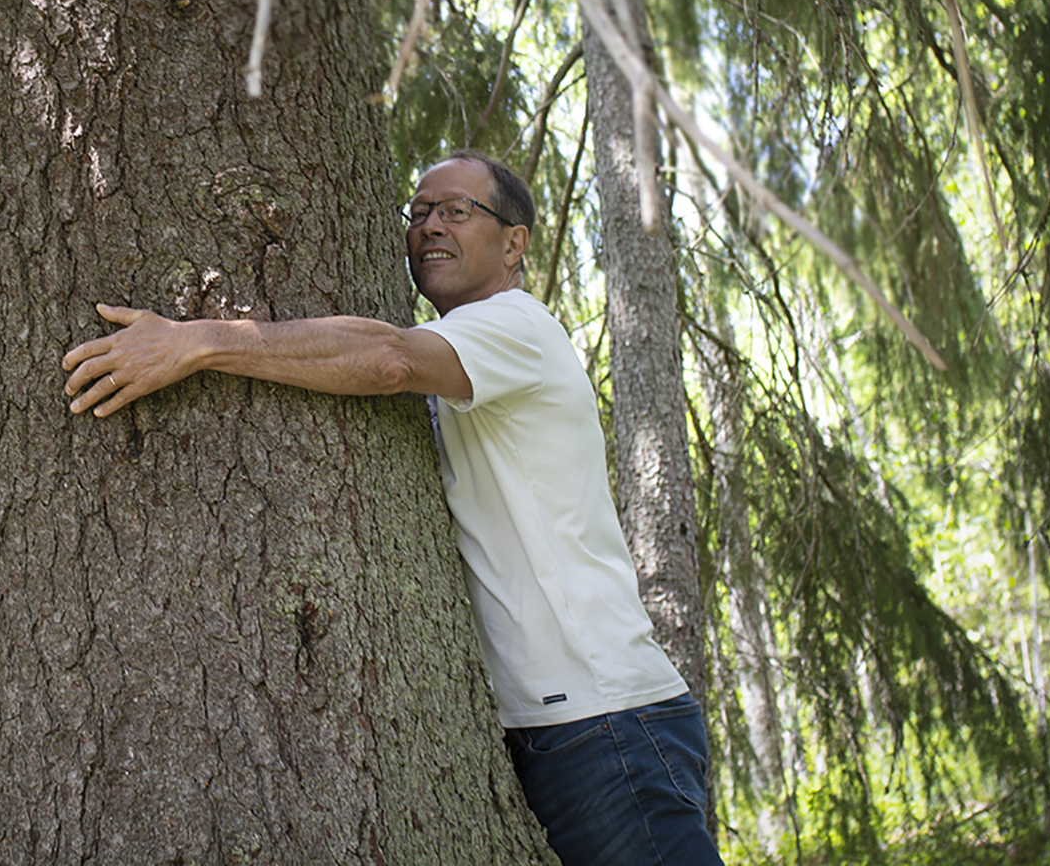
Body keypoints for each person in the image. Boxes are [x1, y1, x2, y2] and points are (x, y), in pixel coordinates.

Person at [61, 149, 723, 866]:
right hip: (548, 726)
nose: (431, 227)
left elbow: (386, 361)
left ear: (514, 242)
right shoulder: (470, 349)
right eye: (420, 213)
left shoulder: (517, 327)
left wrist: (198, 341)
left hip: (606, 723)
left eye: (457, 211)